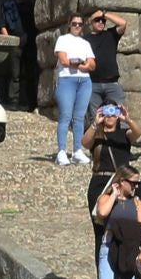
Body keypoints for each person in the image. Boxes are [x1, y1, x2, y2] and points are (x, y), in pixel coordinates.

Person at [53, 10, 96, 166]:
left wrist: (81, 65)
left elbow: (92, 64)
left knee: (79, 117)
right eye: (74, 24)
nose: (77, 26)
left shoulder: (85, 43)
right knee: (65, 116)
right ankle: (62, 151)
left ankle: (77, 150)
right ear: (69, 25)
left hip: (84, 81)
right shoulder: (63, 40)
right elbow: (64, 60)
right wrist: (80, 64)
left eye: (79, 24)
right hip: (66, 80)